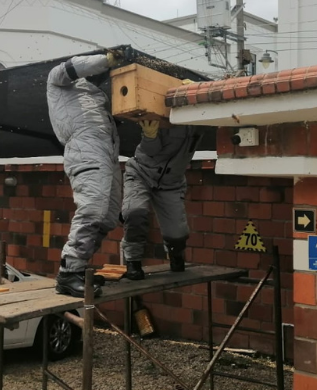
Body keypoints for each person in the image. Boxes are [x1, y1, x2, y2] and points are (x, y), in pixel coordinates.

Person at [47, 50, 123, 297]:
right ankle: (69, 274)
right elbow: (71, 67)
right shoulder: (57, 79)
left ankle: (79, 268)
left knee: (109, 215)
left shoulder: (93, 94)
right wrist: (106, 59)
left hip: (107, 151)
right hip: (85, 147)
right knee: (92, 209)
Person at [120, 116, 203, 280]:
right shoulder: (162, 112)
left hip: (171, 182)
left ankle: (175, 254)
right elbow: (150, 151)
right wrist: (149, 136)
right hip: (141, 173)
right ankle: (133, 261)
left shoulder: (200, 117)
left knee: (177, 233)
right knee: (135, 212)